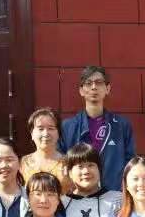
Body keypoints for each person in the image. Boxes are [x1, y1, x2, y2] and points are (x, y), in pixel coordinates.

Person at [58, 66, 136, 194]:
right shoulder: (68, 127)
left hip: (113, 194)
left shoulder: (122, 125)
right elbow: (61, 163)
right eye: (88, 83)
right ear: (81, 90)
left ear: (107, 88)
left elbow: (131, 164)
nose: (94, 87)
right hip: (78, 196)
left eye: (99, 82)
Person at [61, 143, 123, 217]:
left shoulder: (118, 199)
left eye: (91, 165)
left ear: (99, 169)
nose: (86, 171)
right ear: (70, 172)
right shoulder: (61, 203)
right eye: (80, 166)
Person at [20, 107, 72, 194]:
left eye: (51, 128)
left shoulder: (69, 163)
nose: (46, 133)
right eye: (40, 129)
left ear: (58, 134)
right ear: (32, 134)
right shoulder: (23, 163)